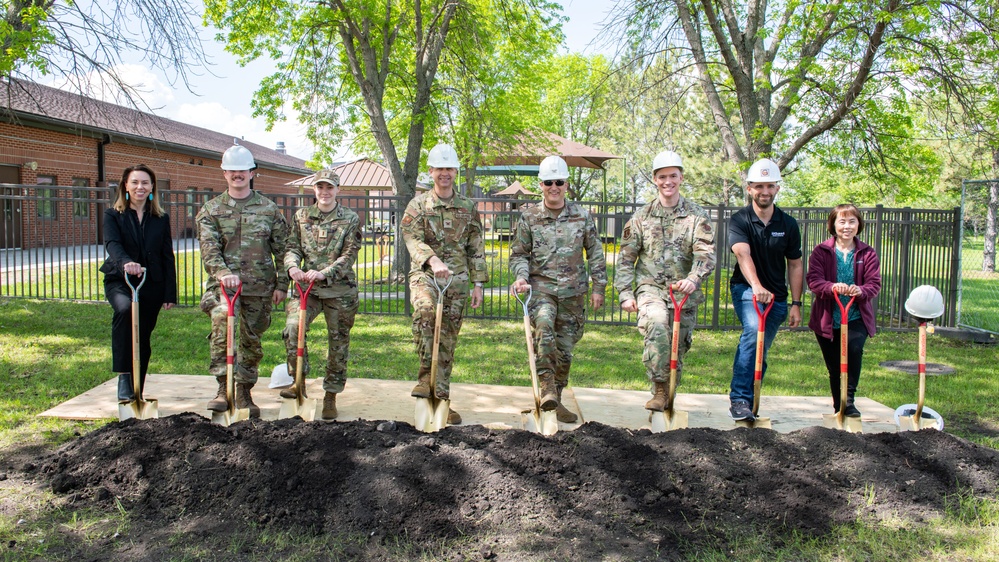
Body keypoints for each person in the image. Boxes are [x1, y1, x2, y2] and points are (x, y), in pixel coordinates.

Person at [615, 151, 716, 412]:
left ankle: (669, 391)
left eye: (673, 175)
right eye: (662, 177)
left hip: (683, 291)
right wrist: (626, 292)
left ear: (681, 177)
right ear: (655, 179)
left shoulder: (697, 215)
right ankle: (659, 390)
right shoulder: (642, 216)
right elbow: (626, 257)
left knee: (677, 345)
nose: (668, 181)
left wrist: (694, 279)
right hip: (650, 287)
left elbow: (705, 254)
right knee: (657, 326)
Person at [509, 155, 607, 423]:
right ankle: (547, 388)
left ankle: (557, 398)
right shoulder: (529, 217)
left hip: (573, 293)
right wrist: (520, 277)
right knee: (543, 329)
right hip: (541, 289)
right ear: (541, 184)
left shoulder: (581, 215)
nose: (554, 187)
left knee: (565, 349)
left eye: (559, 182)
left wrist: (598, 287)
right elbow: (519, 254)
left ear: (566, 184)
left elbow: (595, 253)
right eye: (549, 182)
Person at [197, 143, 289, 418]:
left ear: (252, 173)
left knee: (251, 339)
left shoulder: (269, 210)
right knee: (223, 326)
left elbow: (283, 249)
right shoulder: (211, 210)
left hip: (260, 287)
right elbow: (209, 249)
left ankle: (244, 392)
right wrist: (224, 274)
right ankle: (222, 388)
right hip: (223, 288)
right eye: (232, 170)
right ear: (224, 173)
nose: (237, 175)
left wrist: (282, 284)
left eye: (243, 170)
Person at [401, 143, 487, 425]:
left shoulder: (467, 207)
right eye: (440, 168)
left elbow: (476, 247)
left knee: (447, 339)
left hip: (457, 281)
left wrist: (478, 283)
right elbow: (412, 239)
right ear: (431, 171)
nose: (445, 174)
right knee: (426, 314)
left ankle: (442, 400)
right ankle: (426, 378)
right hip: (426, 275)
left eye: (449, 168)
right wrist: (433, 260)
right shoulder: (418, 205)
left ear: (456, 172)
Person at [280, 169, 361, 420]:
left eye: (330, 187)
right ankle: (298, 383)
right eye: (320, 188)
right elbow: (291, 247)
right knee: (293, 330)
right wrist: (292, 266)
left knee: (337, 343)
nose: (324, 192)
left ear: (338, 189)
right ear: (314, 190)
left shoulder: (350, 218)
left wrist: (325, 272)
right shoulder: (302, 216)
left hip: (340, 291)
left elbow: (349, 256)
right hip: (308, 291)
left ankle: (331, 395)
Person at [727, 158, 803, 421]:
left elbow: (795, 264)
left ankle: (750, 397)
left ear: (777, 188)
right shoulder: (740, 220)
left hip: (778, 298)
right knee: (752, 334)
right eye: (759, 186)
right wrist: (757, 286)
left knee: (761, 347)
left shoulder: (788, 224)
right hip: (747, 291)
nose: (765, 191)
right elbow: (742, 254)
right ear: (749, 189)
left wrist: (796, 303)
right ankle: (740, 399)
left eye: (770, 185)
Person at [101, 164, 177, 403]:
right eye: (134, 182)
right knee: (124, 311)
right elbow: (112, 244)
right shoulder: (113, 215)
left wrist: (169, 293)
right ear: (126, 185)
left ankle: (137, 387)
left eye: (145, 183)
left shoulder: (160, 218)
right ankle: (125, 377)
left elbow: (167, 255)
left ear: (152, 187)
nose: (139, 187)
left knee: (142, 334)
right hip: (121, 280)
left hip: (151, 283)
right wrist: (126, 263)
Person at [806, 204, 882, 417]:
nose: (847, 226)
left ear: (859, 224)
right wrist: (831, 287)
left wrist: (861, 290)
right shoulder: (822, 251)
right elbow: (814, 280)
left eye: (852, 221)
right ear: (833, 225)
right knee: (835, 365)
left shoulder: (867, 253)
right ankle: (838, 405)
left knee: (854, 352)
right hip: (828, 317)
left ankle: (849, 402)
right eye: (842, 221)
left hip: (856, 315)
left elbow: (874, 283)